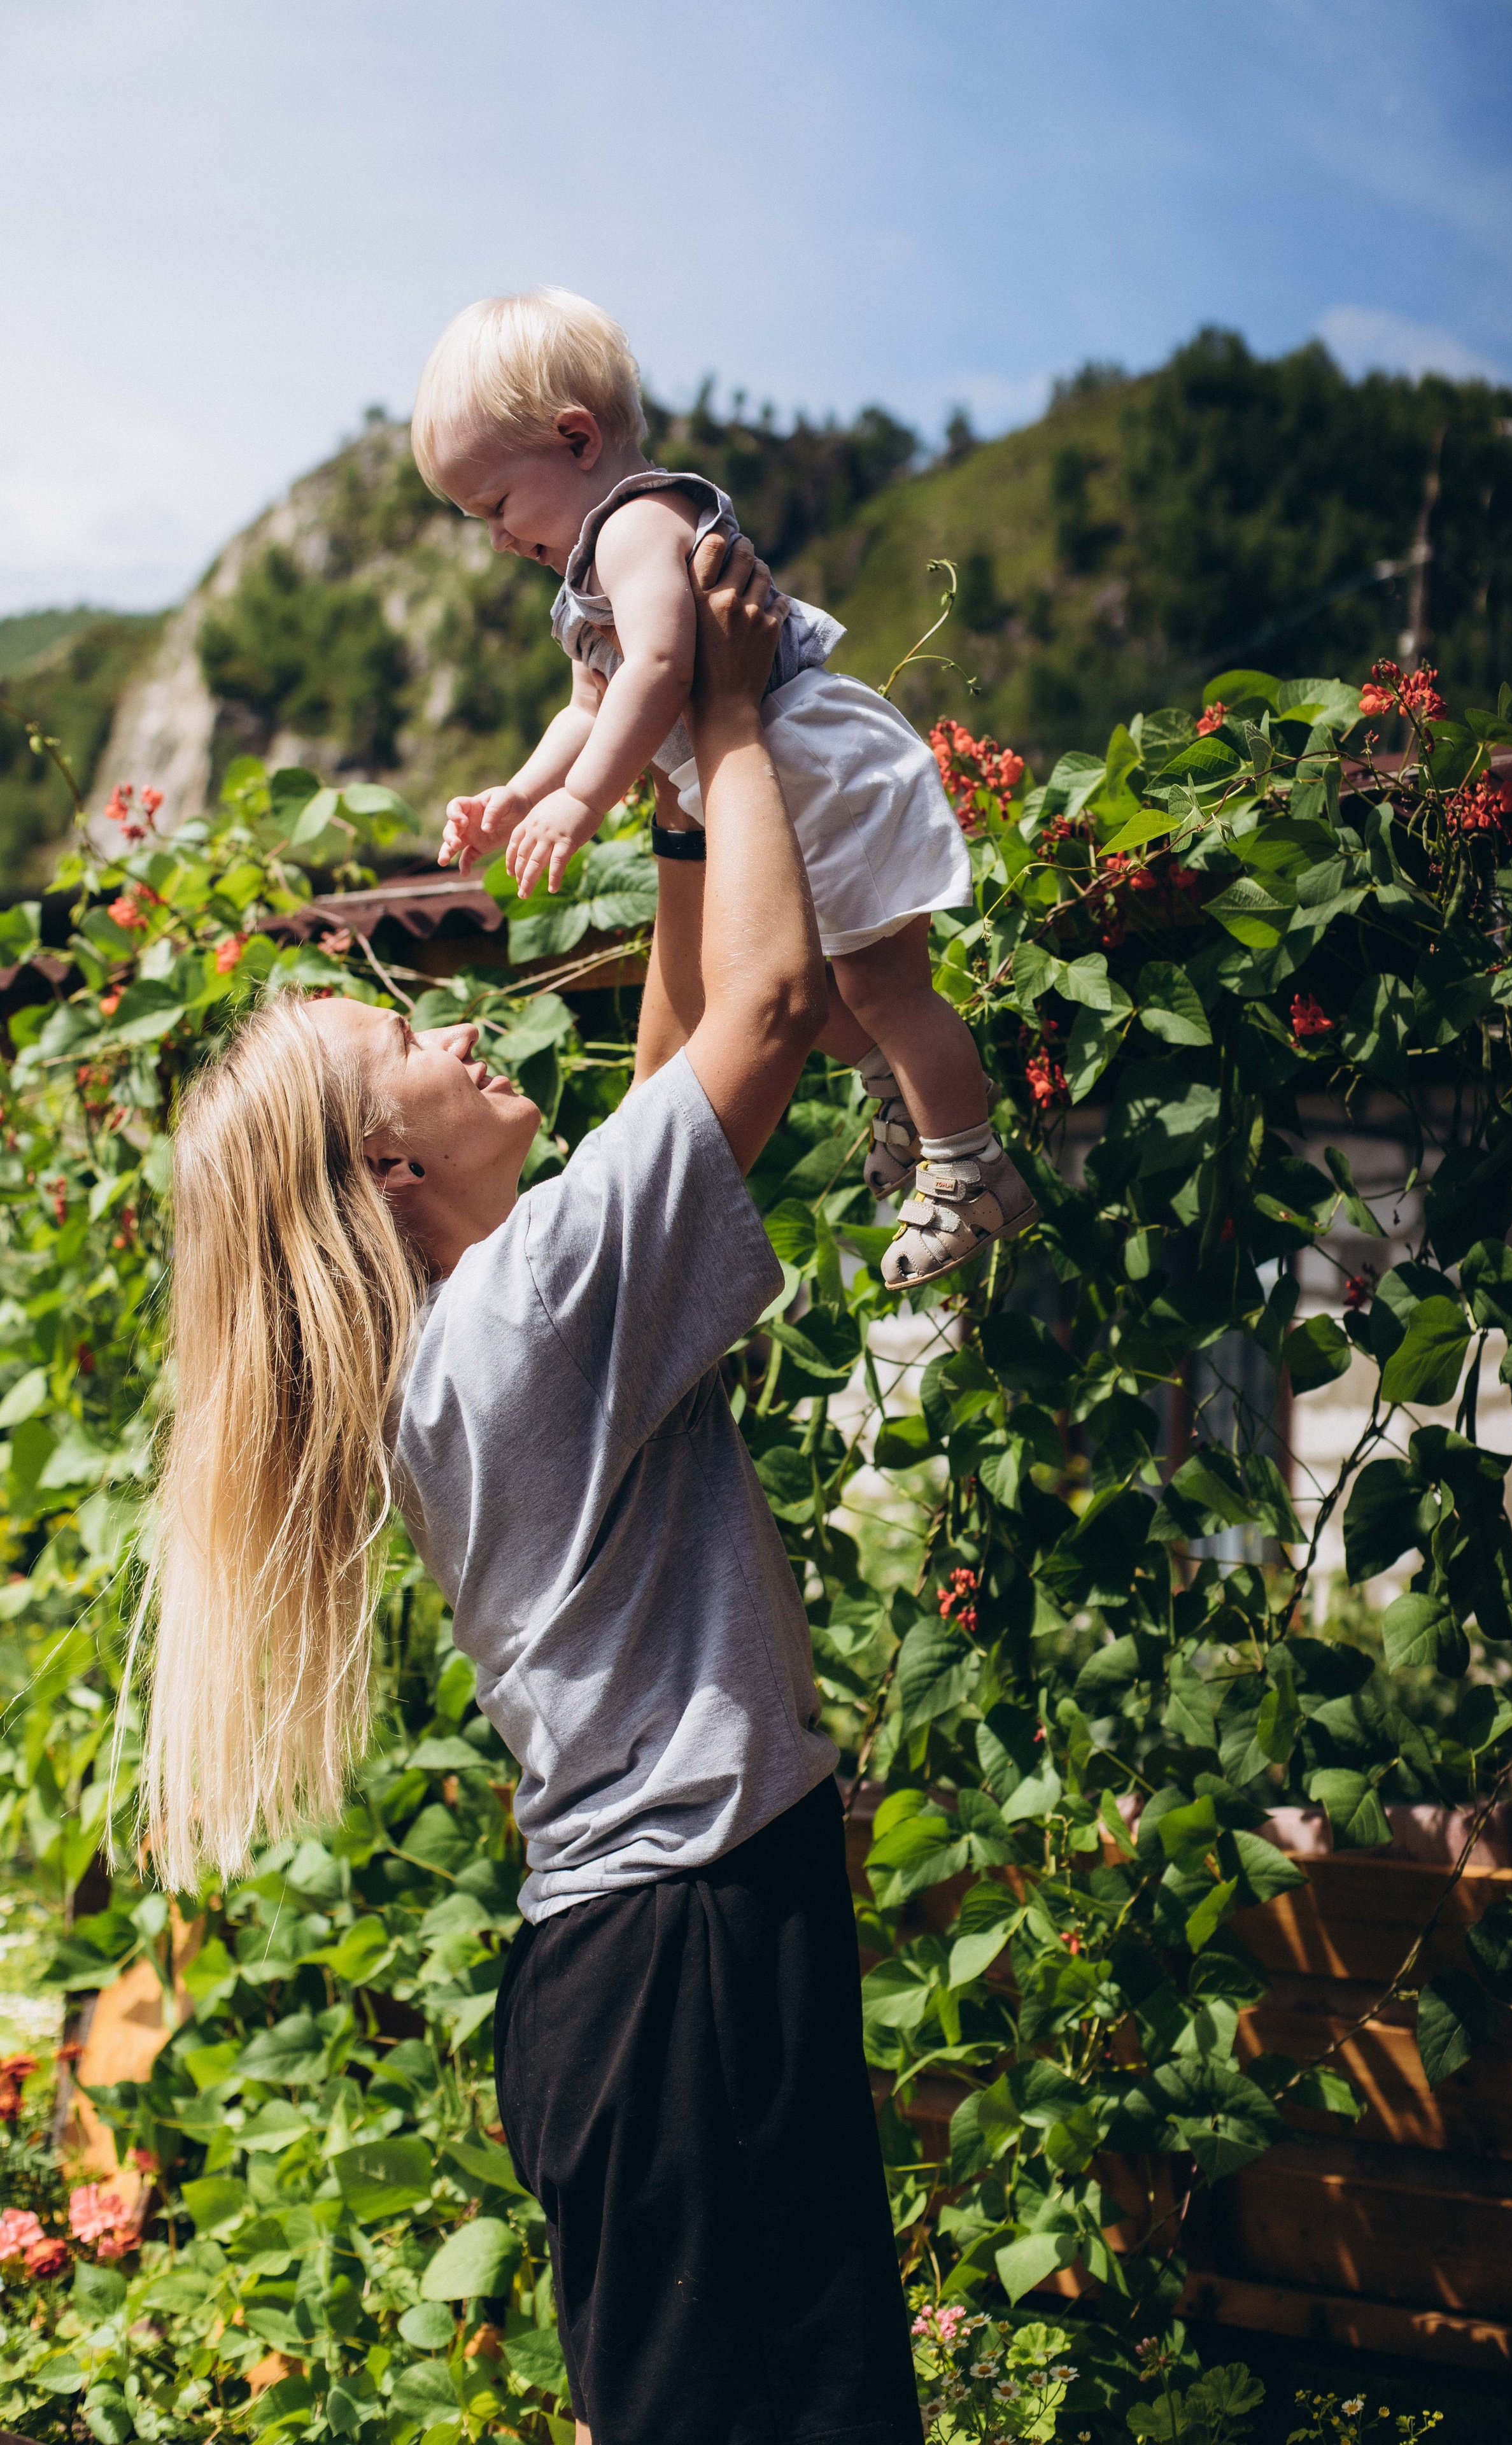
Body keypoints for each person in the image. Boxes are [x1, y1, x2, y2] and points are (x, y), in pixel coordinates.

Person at [138, 535, 923, 2445]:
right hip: (690, 1963)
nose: (467, 1028)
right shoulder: (528, 1321)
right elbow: (768, 1019)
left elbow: (670, 1060)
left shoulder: (491, 1333)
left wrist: (667, 812)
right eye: (413, 1045)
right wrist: (728, 714)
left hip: (656, 1957)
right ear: (389, 1180)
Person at [410, 281, 1036, 1290]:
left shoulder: (633, 527)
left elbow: (659, 671)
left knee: (879, 984)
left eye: (495, 505)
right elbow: (585, 711)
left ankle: (971, 1166)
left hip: (814, 765)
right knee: (809, 983)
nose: (494, 539)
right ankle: (900, 1087)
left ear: (576, 440)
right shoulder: (588, 574)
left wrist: (579, 803)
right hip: (763, 783)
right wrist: (520, 797)